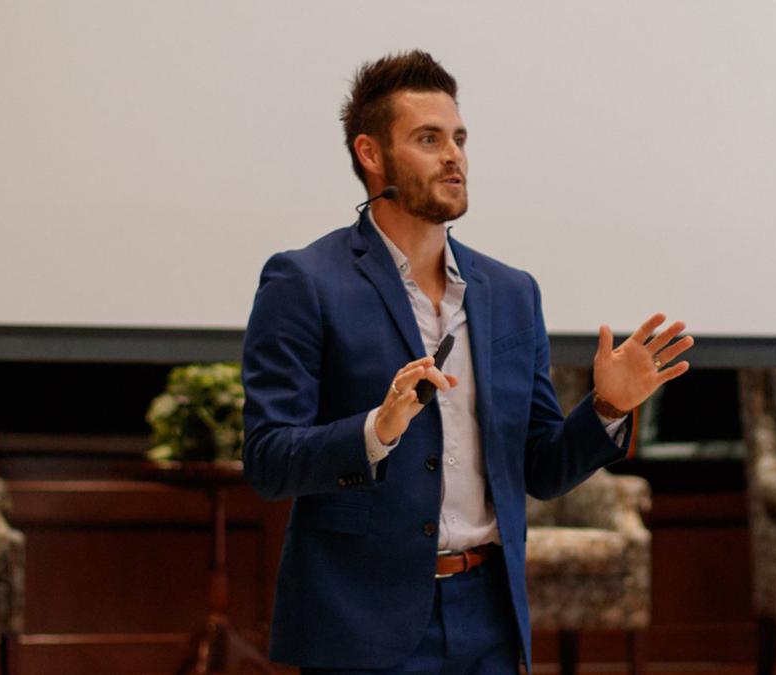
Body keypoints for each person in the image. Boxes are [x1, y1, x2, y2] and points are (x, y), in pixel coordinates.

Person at [241, 50, 694, 674]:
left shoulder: (510, 292)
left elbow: (538, 468)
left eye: (458, 137)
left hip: (489, 615)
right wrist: (377, 431)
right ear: (372, 155)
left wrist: (608, 407)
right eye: (428, 139)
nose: (454, 155)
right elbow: (268, 460)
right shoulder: (305, 281)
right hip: (362, 622)